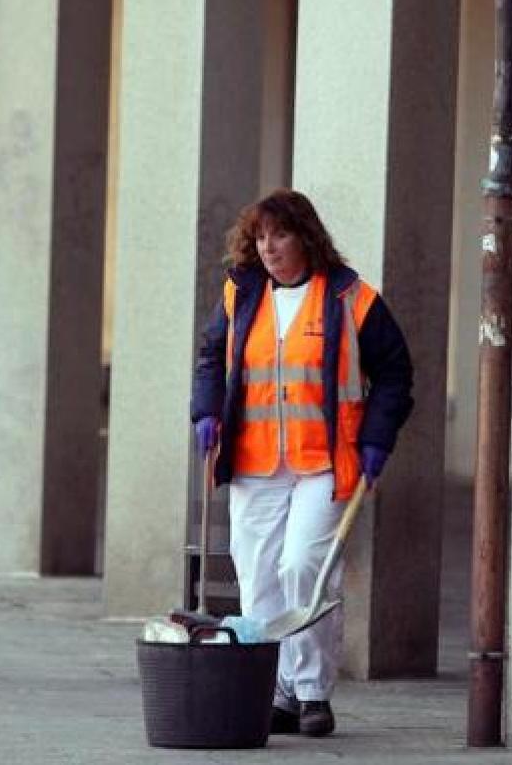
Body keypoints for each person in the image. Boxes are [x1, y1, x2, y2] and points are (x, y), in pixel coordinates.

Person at [190, 188, 413, 738]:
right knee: (259, 575)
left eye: (280, 234)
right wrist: (206, 409)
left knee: (304, 569)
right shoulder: (240, 295)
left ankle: (312, 692)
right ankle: (278, 692)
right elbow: (210, 357)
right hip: (255, 462)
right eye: (260, 237)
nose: (269, 247)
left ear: (306, 238)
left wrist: (377, 439)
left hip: (325, 461)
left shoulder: (349, 298)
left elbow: (395, 372)